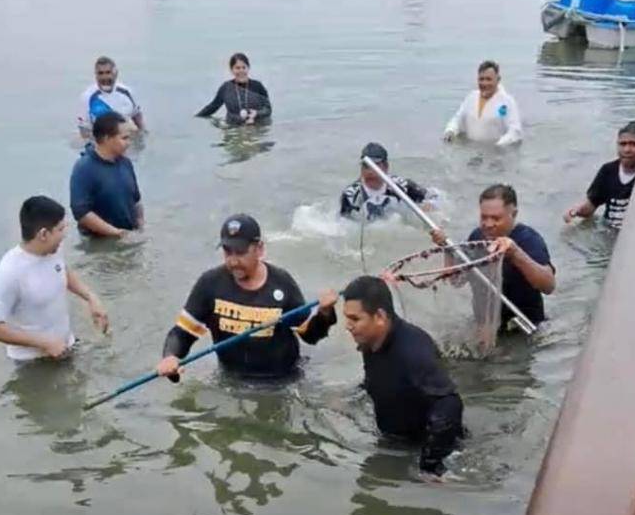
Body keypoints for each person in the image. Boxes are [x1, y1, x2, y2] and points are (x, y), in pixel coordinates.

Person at [157, 214, 337, 380]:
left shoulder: (282, 283)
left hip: (282, 381)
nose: (233, 261)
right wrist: (170, 357)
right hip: (232, 379)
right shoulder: (210, 284)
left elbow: (311, 336)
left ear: (259, 249)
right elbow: (182, 333)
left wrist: (325, 313)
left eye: (241, 252)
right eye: (228, 252)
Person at [342, 275, 464, 478]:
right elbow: (381, 379)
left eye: (355, 319)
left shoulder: (413, 352)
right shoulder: (370, 340)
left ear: (379, 317)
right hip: (392, 440)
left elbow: (450, 405)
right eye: (347, 318)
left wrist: (430, 467)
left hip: (422, 448)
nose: (348, 326)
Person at [0, 196, 108, 361]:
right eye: (60, 229)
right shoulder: (10, 272)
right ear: (43, 234)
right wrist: (44, 343)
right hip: (32, 362)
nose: (64, 235)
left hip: (66, 345)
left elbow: (62, 271)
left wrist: (90, 297)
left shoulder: (53, 249)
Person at [431, 184, 555, 331]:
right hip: (486, 326)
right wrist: (447, 248)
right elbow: (457, 281)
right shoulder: (477, 237)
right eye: (484, 217)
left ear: (513, 214)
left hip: (525, 326)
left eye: (496, 218)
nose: (488, 224)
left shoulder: (529, 240)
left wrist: (516, 254)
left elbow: (548, 286)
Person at [70, 112, 143, 238]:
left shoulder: (126, 163)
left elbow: (136, 200)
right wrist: (115, 233)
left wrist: (141, 228)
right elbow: (81, 213)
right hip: (100, 244)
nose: (129, 143)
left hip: (128, 237)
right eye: (124, 138)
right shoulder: (84, 168)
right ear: (106, 138)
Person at [563, 120, 635, 231]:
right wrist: (575, 211)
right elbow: (591, 205)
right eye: (623, 144)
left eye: (634, 144)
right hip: (608, 231)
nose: (627, 150)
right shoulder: (608, 171)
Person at [340, 142, 435, 222]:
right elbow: (343, 224)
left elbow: (433, 196)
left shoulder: (402, 186)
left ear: (386, 167)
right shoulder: (351, 196)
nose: (370, 171)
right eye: (366, 166)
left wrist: (428, 205)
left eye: (375, 166)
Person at [443, 60, 523, 147]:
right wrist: (450, 131)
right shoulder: (471, 97)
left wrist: (499, 145)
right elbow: (458, 119)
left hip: (496, 153)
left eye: (489, 79)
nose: (484, 83)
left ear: (498, 79)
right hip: (471, 150)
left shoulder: (506, 102)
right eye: (481, 79)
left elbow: (515, 131)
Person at [77, 56, 145, 139]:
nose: (104, 77)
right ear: (96, 75)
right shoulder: (87, 97)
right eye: (100, 73)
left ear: (115, 73)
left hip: (125, 141)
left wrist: (142, 136)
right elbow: (84, 129)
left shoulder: (127, 92)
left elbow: (137, 115)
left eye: (108, 72)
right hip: (102, 144)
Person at [196, 53, 272, 126]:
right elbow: (212, 107)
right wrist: (196, 118)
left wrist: (257, 113)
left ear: (248, 68)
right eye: (237, 68)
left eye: (244, 67)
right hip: (233, 129)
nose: (241, 71)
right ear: (231, 70)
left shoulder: (258, 86)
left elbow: (268, 109)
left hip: (257, 128)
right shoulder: (226, 88)